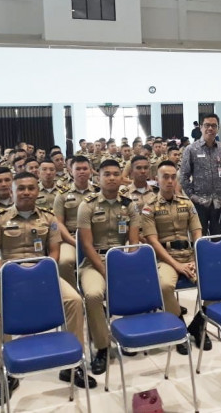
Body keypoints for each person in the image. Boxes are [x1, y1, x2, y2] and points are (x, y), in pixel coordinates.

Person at [0, 172, 96, 405]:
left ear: (37, 191)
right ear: (12, 192)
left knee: (74, 301)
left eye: (31, 188)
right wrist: (9, 274)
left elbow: (54, 251)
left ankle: (74, 365)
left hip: (43, 275)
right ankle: (6, 372)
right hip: (10, 277)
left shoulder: (49, 218)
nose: (26, 192)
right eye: (21, 188)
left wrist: (43, 272)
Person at [77, 160, 139, 375]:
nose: (112, 178)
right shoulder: (87, 205)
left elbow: (134, 242)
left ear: (122, 178)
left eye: (115, 174)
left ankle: (129, 334)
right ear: (98, 178)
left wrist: (126, 265)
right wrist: (106, 271)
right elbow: (86, 245)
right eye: (107, 174)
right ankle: (102, 347)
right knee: (93, 295)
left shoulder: (130, 205)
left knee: (143, 284)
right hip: (94, 262)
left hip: (122, 260)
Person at [141, 161, 208, 355]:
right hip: (166, 257)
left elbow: (197, 233)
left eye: (173, 177)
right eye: (165, 177)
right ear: (157, 179)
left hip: (189, 254)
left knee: (218, 281)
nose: (170, 181)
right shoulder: (149, 207)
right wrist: (177, 265)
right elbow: (153, 241)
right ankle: (180, 326)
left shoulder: (187, 203)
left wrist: (196, 257)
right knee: (164, 286)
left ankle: (199, 323)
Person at [180, 113, 221, 235]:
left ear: (217, 128)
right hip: (199, 203)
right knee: (200, 237)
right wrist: (192, 196)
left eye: (214, 126)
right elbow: (183, 176)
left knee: (218, 237)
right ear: (201, 127)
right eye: (207, 125)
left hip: (219, 202)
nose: (210, 128)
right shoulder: (191, 149)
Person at [53, 155, 99, 288]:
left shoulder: (99, 191)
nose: (82, 172)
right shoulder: (62, 194)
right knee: (64, 261)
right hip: (70, 238)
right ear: (70, 171)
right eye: (78, 169)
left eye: (85, 168)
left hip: (96, 237)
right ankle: (72, 292)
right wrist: (74, 242)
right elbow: (58, 223)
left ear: (90, 171)